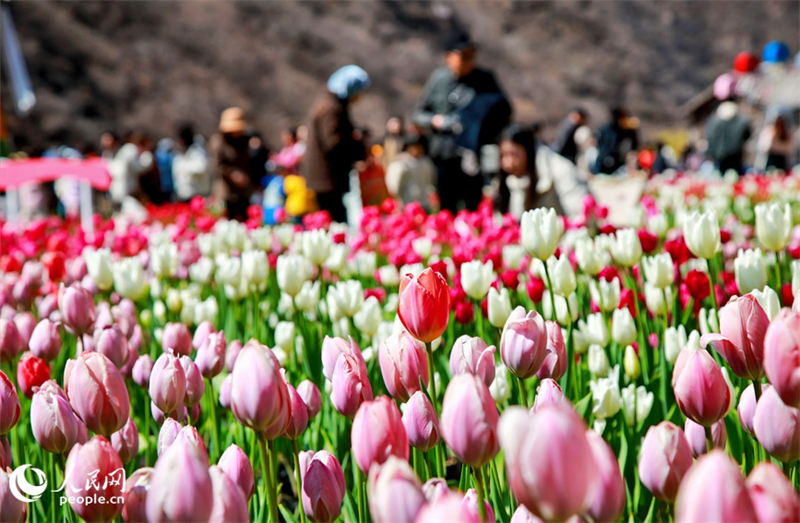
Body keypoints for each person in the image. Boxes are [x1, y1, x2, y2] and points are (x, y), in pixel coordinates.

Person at [412, 29, 511, 213]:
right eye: (463, 56)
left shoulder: (485, 79)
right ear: (448, 57)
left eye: (471, 55)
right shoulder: (439, 80)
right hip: (443, 156)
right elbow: (418, 114)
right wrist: (436, 121)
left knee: (474, 208)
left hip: (473, 157)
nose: (468, 60)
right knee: (446, 209)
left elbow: (504, 112)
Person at [302, 64, 370, 223]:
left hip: (326, 178)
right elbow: (334, 143)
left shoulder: (330, 105)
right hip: (327, 178)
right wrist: (357, 146)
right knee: (335, 221)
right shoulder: (332, 109)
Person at [209, 107, 256, 221]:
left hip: (244, 191)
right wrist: (233, 175)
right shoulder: (219, 142)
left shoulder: (246, 141)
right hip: (227, 191)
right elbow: (217, 165)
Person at [385, 133, 437, 211]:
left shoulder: (425, 162)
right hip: (407, 203)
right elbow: (394, 186)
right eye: (414, 147)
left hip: (424, 202)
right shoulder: (400, 163)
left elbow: (431, 179)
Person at [705, 100, 751, 175]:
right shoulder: (741, 122)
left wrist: (710, 151)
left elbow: (710, 137)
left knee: (719, 175)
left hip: (720, 154)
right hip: (734, 154)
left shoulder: (714, 122)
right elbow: (747, 136)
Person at [594, 107, 640, 175]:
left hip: (617, 161)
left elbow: (634, 142)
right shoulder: (605, 129)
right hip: (604, 159)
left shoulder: (624, 129)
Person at [172, 125, 211, 202]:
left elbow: (201, 167)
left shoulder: (197, 152)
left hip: (197, 195)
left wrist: (186, 170)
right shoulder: (180, 154)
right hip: (184, 194)